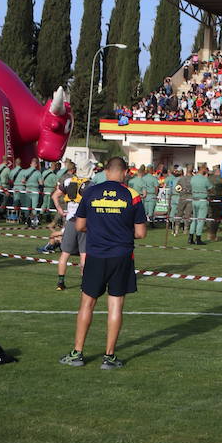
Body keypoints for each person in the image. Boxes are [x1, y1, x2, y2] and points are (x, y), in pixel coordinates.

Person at [59, 155, 146, 370]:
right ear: (125, 172)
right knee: (115, 305)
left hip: (96, 254)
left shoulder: (90, 192)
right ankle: (109, 356)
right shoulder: (132, 195)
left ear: (106, 171)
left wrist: (99, 230)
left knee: (87, 303)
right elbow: (141, 233)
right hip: (122, 255)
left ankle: (77, 353)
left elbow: (79, 226)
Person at [52, 161, 86, 290]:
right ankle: (84, 284)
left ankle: (60, 282)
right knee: (84, 254)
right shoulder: (90, 184)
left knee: (65, 254)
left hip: (71, 220)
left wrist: (60, 210)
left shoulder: (68, 182)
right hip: (84, 221)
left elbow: (55, 196)